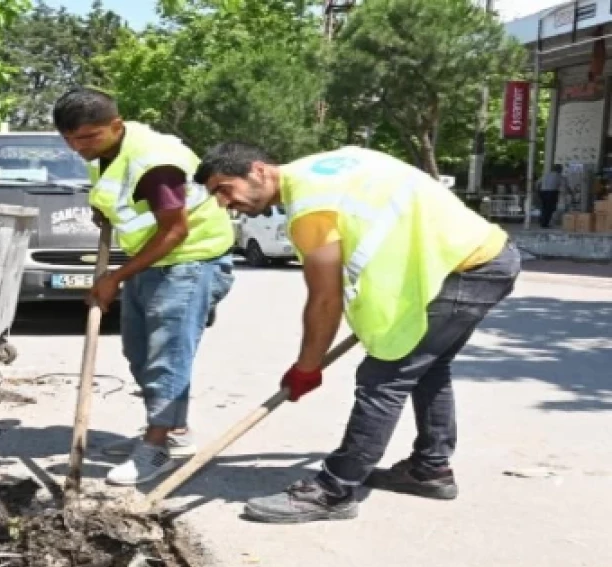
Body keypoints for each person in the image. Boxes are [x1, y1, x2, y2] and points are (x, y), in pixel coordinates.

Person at [194, 142, 521, 524]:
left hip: (462, 269)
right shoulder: (326, 165)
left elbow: (324, 301)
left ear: (258, 170)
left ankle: (335, 490)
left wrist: (307, 366)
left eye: (224, 188)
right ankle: (429, 469)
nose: (222, 203)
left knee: (384, 377)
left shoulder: (310, 210)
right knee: (428, 368)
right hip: (481, 258)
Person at [52, 87, 236, 486]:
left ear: (115, 125)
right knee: (138, 350)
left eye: (86, 138)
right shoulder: (104, 151)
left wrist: (114, 278)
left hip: (189, 259)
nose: (77, 147)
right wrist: (102, 212)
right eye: (69, 140)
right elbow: (121, 200)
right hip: (151, 261)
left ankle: (155, 447)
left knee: (166, 357)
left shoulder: (156, 163)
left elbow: (176, 229)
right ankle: (175, 431)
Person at [536, 164, 572, 229]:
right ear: (559, 170)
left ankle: (542, 221)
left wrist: (538, 191)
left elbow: (538, 183)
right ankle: (545, 223)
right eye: (561, 169)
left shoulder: (546, 175)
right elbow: (565, 186)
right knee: (550, 208)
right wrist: (570, 192)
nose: (561, 170)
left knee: (544, 207)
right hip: (552, 192)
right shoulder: (559, 176)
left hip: (543, 191)